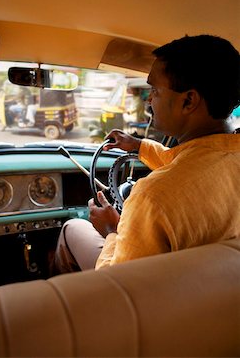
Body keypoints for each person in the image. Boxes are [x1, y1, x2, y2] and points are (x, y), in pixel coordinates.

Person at [54, 34, 240, 274]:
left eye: (155, 90)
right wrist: (139, 146)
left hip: (156, 305)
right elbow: (192, 162)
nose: (149, 100)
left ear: (189, 101)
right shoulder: (223, 157)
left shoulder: (152, 198)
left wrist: (112, 231)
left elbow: (119, 287)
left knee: (72, 228)